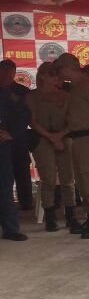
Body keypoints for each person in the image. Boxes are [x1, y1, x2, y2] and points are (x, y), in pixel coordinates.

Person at [54, 53, 89, 239]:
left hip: (88, 138)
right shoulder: (77, 88)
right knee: (82, 180)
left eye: (60, 70)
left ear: (67, 68)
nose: (60, 75)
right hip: (78, 139)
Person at [27, 62, 76, 232]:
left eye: (57, 74)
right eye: (51, 74)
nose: (56, 77)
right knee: (48, 178)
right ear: (42, 76)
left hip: (63, 137)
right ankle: (50, 217)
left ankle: (71, 215)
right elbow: (32, 122)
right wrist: (51, 137)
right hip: (42, 138)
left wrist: (60, 135)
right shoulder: (32, 96)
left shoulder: (64, 95)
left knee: (68, 179)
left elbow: (72, 120)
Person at [0, 58, 33, 211]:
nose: (6, 74)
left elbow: (26, 116)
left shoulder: (22, 91)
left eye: (9, 71)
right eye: (3, 70)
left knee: (22, 171)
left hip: (18, 138)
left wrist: (12, 133)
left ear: (14, 72)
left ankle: (26, 204)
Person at [0, 86, 28, 241]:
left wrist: (12, 133)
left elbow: (24, 113)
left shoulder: (5, 94)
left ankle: (10, 229)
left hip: (1, 145)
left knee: (4, 187)